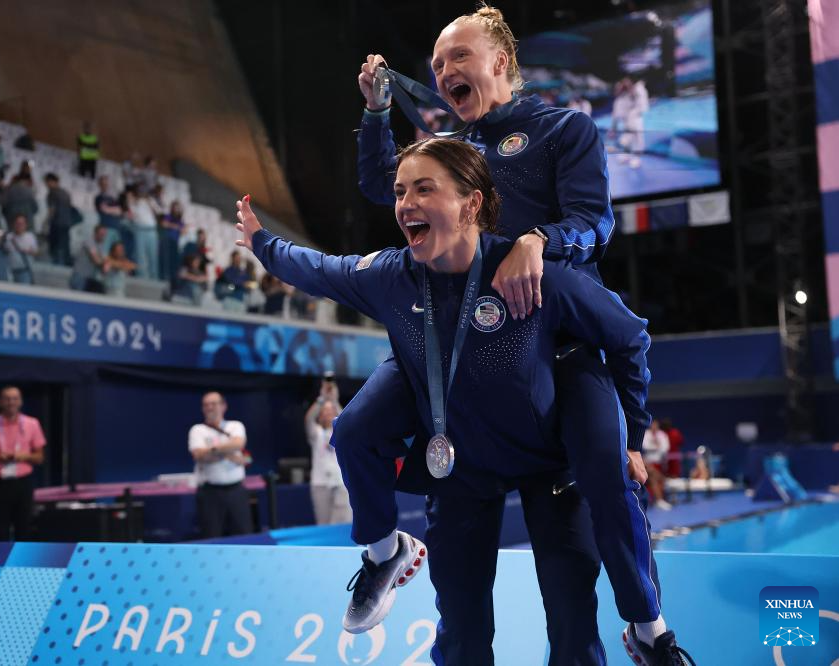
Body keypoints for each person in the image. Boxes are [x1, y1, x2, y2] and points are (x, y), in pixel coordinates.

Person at [236, 138, 693, 666]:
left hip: (550, 468)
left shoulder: (531, 275)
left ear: (471, 203)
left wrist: (634, 434)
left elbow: (629, 337)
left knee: (572, 624)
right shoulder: (392, 276)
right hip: (460, 468)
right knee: (460, 630)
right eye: (400, 190)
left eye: (424, 188)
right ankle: (385, 554)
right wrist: (262, 242)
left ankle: (649, 632)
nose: (405, 203)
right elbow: (317, 268)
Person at [353, 7, 688, 665]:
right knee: (457, 600)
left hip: (556, 350)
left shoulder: (563, 128)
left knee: (572, 590)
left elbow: (595, 224)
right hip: (463, 362)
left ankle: (648, 632)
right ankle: (382, 556)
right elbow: (376, 183)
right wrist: (373, 115)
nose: (443, 70)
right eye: (437, 63)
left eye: (457, 57)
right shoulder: (447, 150)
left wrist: (539, 241)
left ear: (499, 62)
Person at [0, 386, 46, 541]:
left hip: (23, 481)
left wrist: (24, 456)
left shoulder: (32, 423)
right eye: (7, 398)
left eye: (14, 398)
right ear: (0, 402)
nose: (11, 402)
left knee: (24, 526)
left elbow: (39, 457)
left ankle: (23, 563)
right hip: (0, 482)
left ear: (20, 401)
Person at [188, 392, 253, 539]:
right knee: (211, 535)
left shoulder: (235, 426)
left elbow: (239, 444)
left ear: (223, 406)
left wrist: (212, 449)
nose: (210, 407)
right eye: (206, 404)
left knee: (244, 534)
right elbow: (199, 456)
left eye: (214, 403)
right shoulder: (197, 430)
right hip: (210, 492)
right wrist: (229, 453)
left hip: (236, 490)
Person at [304, 377, 352, 525]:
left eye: (332, 410)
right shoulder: (316, 433)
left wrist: (335, 400)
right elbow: (308, 419)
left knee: (344, 523)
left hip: (341, 483)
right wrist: (322, 399)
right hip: (321, 484)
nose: (328, 413)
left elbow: (347, 419)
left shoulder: (342, 432)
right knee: (323, 524)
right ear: (321, 415)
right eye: (325, 410)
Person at [44, 173, 73, 265]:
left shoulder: (52, 193)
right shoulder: (65, 193)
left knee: (54, 247)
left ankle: (56, 265)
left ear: (52, 181)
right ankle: (66, 265)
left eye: (47, 182)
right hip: (66, 223)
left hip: (56, 223)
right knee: (65, 246)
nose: (46, 185)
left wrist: (46, 222)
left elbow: (52, 210)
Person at [642, 421, 672, 510]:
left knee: (656, 479)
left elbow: (665, 448)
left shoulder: (662, 434)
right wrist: (656, 446)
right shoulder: (646, 434)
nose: (654, 427)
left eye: (656, 426)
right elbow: (645, 446)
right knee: (653, 477)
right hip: (648, 464)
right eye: (653, 426)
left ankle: (660, 499)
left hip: (660, 463)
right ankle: (659, 500)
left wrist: (654, 446)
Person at [70, 224, 109, 292]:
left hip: (89, 279)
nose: (103, 236)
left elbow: (105, 262)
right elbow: (96, 259)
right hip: (80, 277)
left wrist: (106, 264)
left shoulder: (101, 245)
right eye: (101, 234)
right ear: (95, 233)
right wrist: (106, 263)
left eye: (104, 234)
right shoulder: (89, 241)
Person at [1, 214, 38, 284]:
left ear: (26, 225)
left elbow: (35, 252)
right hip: (9, 271)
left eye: (21, 223)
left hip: (24, 271)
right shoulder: (9, 236)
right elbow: (4, 251)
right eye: (17, 223)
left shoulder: (30, 236)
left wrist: (27, 251)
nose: (19, 225)